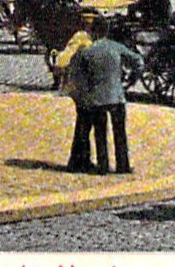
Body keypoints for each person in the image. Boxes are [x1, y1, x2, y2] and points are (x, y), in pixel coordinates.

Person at [67, 16, 144, 175]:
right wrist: (132, 78)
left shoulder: (87, 52)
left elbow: (78, 76)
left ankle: (103, 166)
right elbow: (138, 61)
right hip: (117, 96)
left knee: (100, 133)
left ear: (93, 32)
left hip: (97, 99)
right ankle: (123, 165)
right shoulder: (116, 47)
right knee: (120, 133)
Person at [55, 27, 95, 171]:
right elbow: (63, 60)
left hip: (83, 88)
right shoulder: (82, 39)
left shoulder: (83, 38)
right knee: (84, 124)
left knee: (84, 124)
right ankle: (79, 161)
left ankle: (79, 159)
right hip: (84, 88)